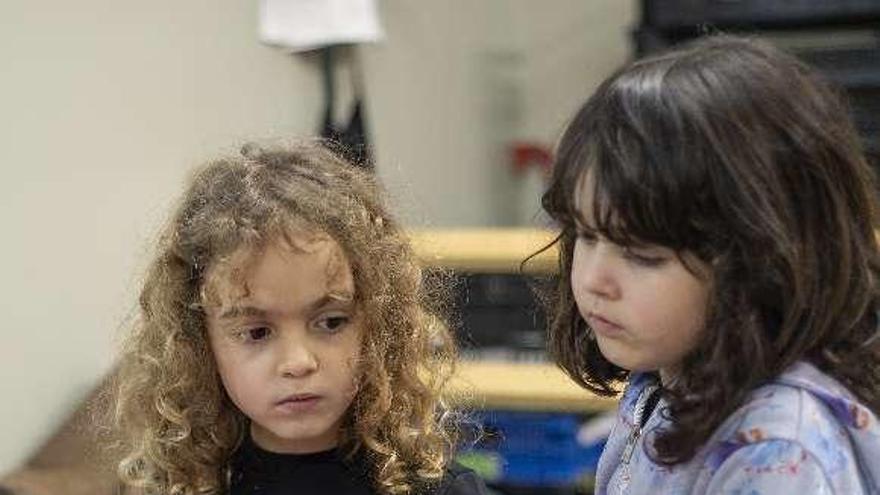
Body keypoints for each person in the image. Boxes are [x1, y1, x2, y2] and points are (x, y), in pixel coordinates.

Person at [541, 35, 880, 494]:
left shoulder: (779, 455)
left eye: (642, 255)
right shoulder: (666, 379)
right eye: (586, 234)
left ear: (761, 262)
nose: (593, 280)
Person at [105, 141, 488, 495]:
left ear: (377, 325)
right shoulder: (170, 486)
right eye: (256, 332)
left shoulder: (440, 490)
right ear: (199, 344)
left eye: (331, 322)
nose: (298, 363)